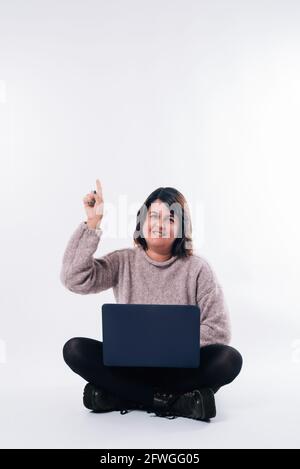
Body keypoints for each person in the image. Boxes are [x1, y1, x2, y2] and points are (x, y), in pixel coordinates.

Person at [60, 179, 243, 421]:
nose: (159, 224)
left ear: (181, 228)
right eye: (154, 216)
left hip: (179, 372)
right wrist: (92, 224)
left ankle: (124, 396)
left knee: (229, 359)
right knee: (75, 349)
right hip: (129, 369)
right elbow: (74, 279)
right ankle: (176, 403)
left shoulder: (198, 269)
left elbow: (219, 330)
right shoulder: (122, 261)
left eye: (170, 219)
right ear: (142, 222)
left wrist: (170, 347)